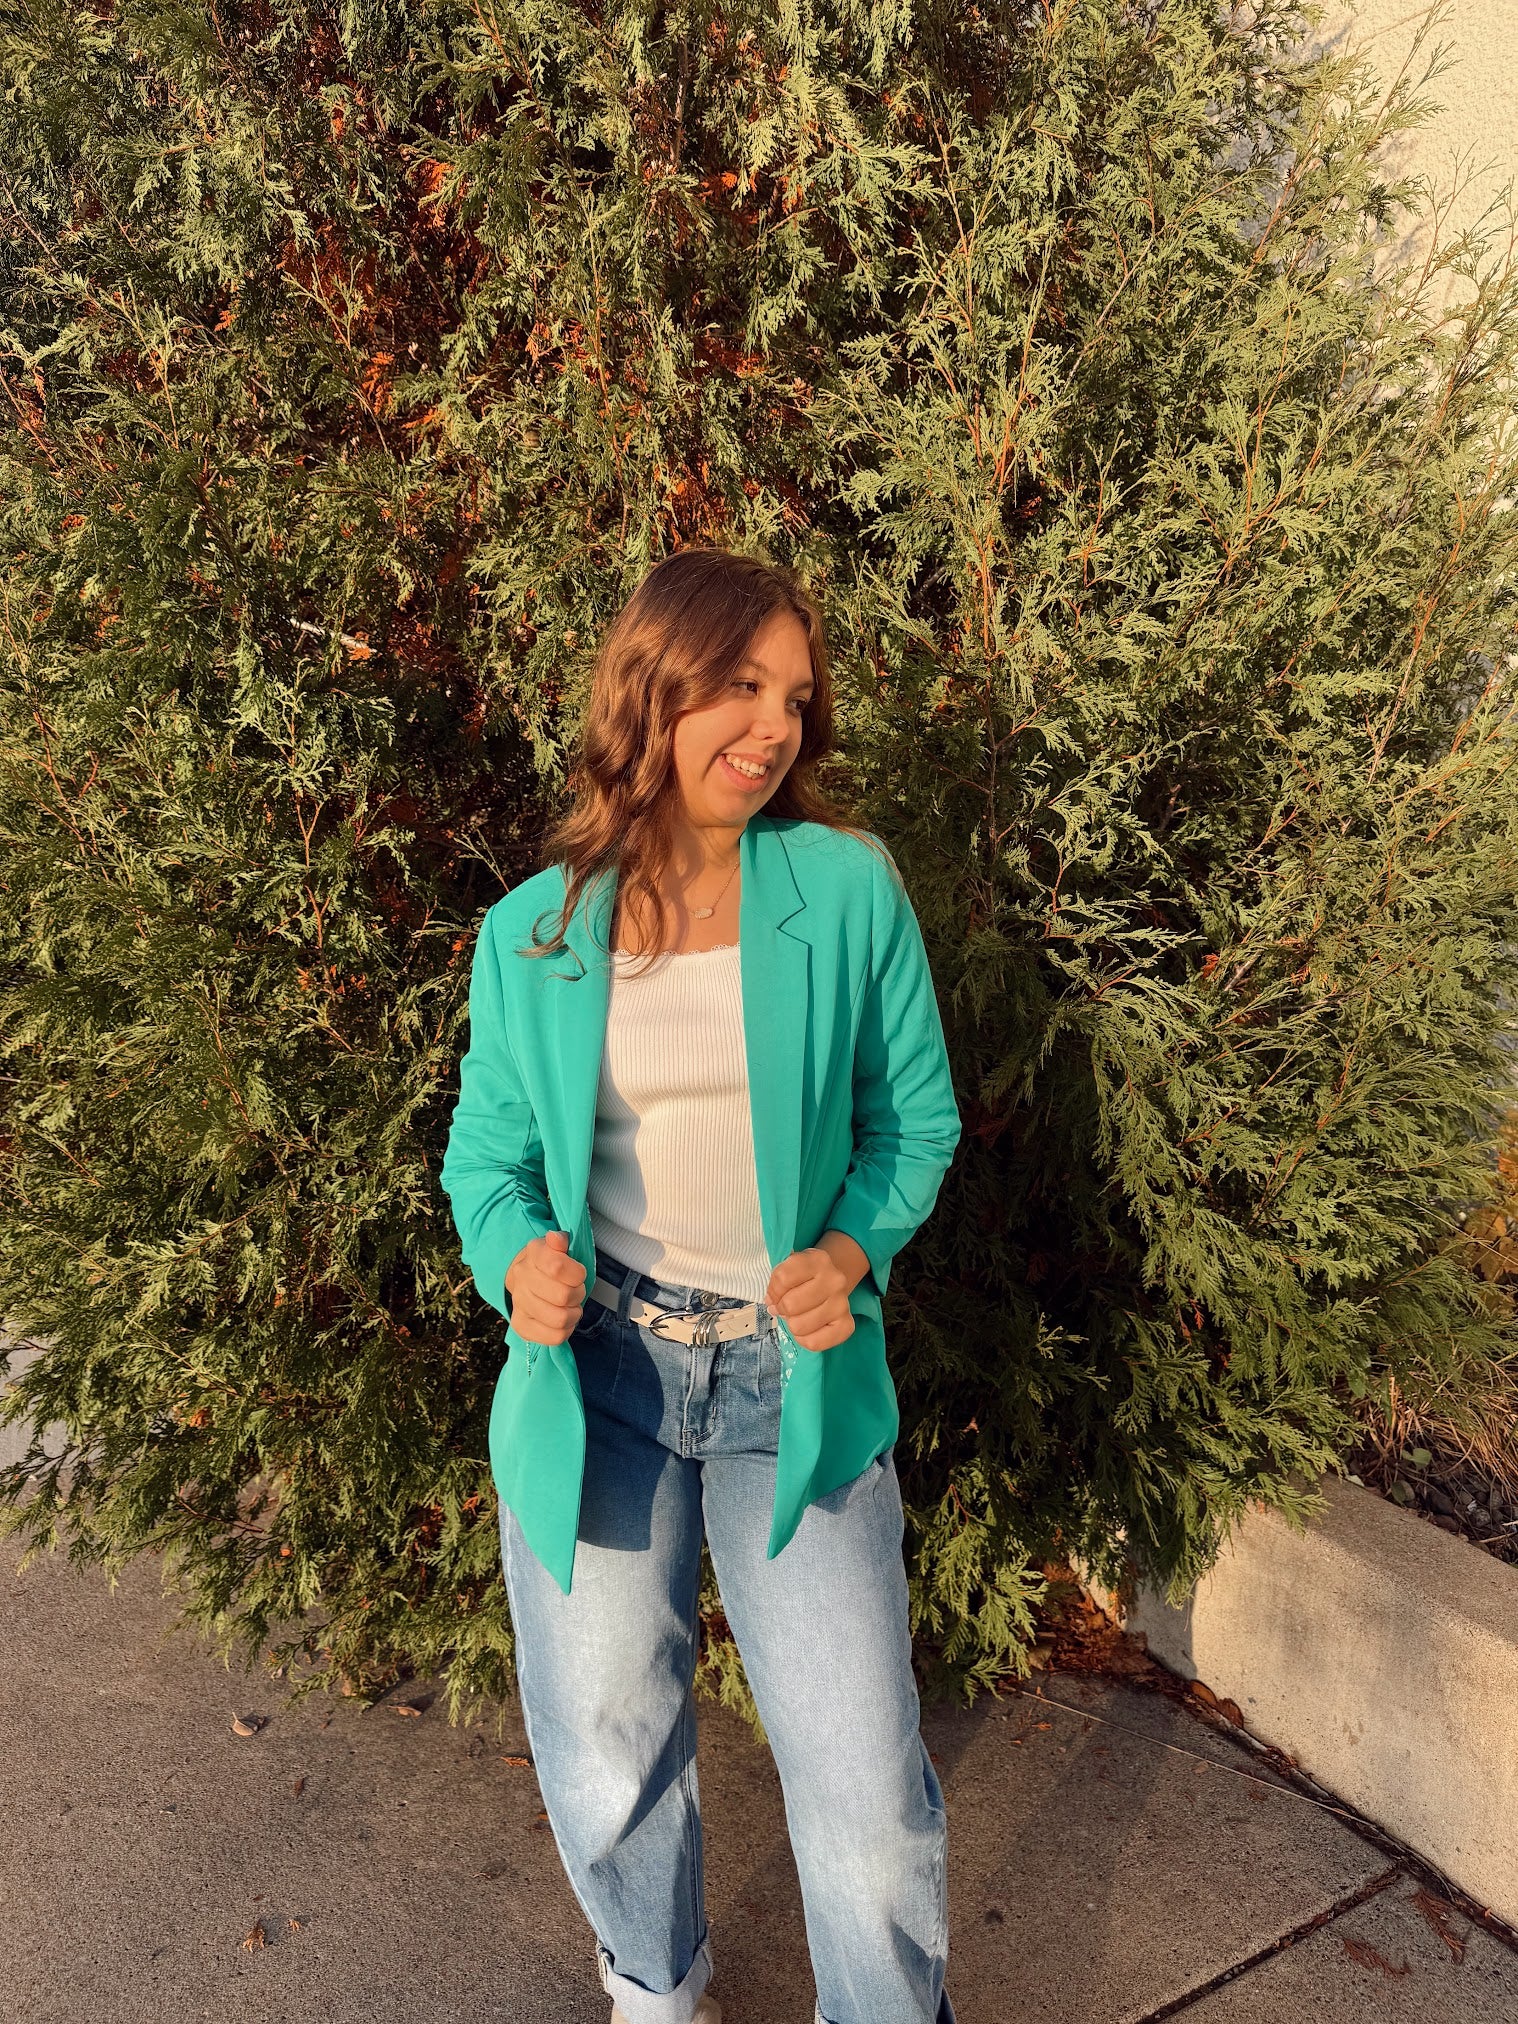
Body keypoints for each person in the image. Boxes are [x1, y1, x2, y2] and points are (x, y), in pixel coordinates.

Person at [440, 547, 963, 2024]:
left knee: (866, 1795)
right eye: (741, 684)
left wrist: (847, 1255)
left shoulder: (844, 891)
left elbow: (914, 1122)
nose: (774, 725)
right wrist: (517, 1263)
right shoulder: (533, 932)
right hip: (599, 1376)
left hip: (792, 1385)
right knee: (606, 1741)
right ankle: (656, 1989)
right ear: (654, 688)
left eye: (794, 696)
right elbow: (486, 1159)